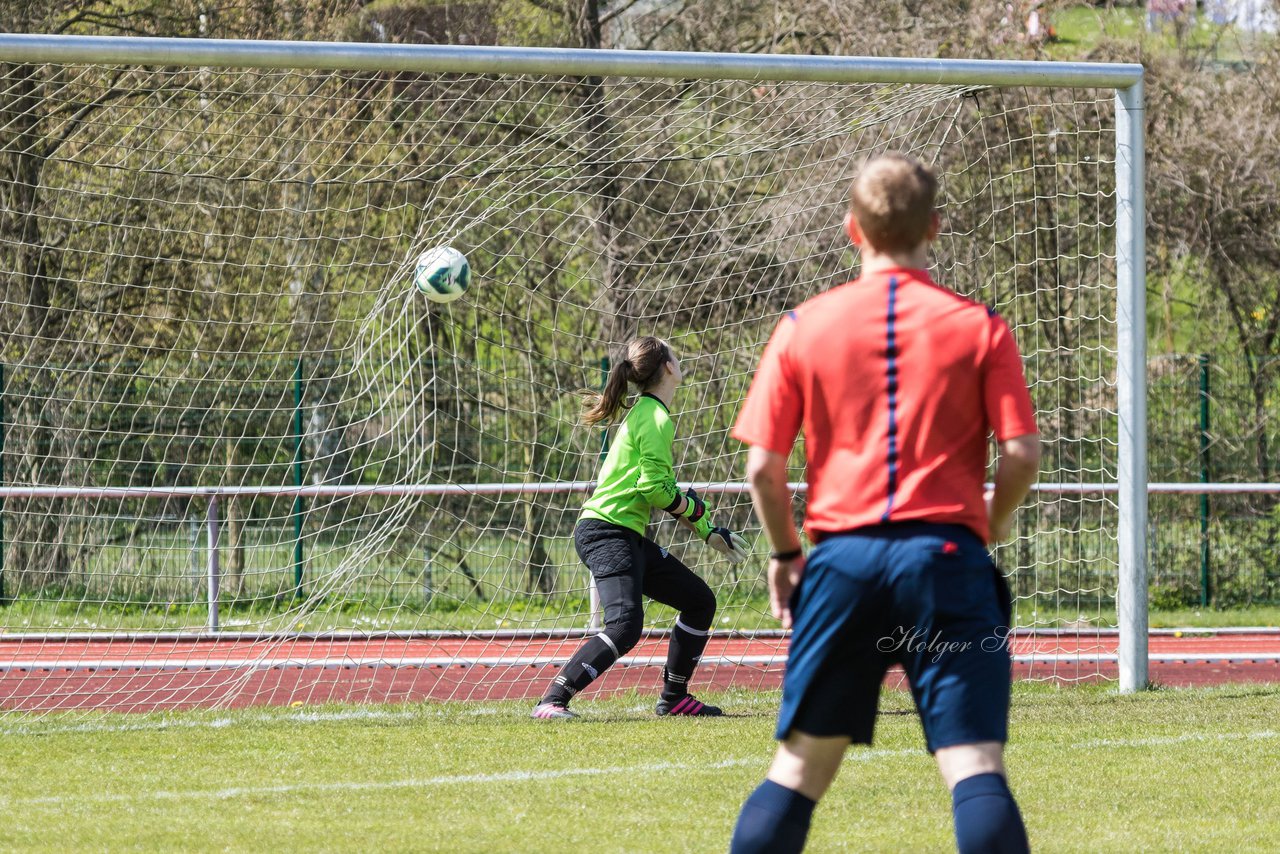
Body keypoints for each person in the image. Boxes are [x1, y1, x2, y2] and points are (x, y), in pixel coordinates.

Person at [728, 153, 1041, 853]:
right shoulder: (981, 326)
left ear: (851, 230)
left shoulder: (802, 326)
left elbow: (763, 470)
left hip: (842, 562)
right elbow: (1021, 455)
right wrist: (981, 530)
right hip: (947, 558)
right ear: (935, 227)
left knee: (799, 770)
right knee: (975, 767)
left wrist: (785, 554)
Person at [530, 335, 750, 720]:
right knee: (625, 625)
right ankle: (552, 700)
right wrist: (698, 514)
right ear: (667, 367)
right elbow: (653, 489)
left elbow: (660, 489)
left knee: (699, 601)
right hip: (606, 532)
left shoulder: (648, 413)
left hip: (624, 534)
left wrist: (707, 528)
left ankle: (674, 698)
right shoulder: (655, 417)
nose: (679, 361)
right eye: (675, 355)